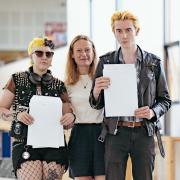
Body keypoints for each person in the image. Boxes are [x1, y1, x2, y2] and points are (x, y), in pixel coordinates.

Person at [89, 11, 171, 180]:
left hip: (144, 133)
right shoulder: (106, 62)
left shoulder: (154, 63)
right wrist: (96, 90)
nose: (124, 35)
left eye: (128, 30)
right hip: (115, 133)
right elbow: (96, 103)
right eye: (119, 31)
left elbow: (165, 100)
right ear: (114, 32)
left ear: (137, 31)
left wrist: (153, 112)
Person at [0, 37, 75, 180]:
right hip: (25, 144)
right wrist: (17, 115)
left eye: (49, 54)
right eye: (39, 53)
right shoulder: (17, 79)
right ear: (31, 55)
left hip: (54, 145)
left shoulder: (59, 85)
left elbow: (69, 119)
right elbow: (1, 109)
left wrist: (71, 117)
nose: (44, 57)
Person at [64, 35, 105, 180]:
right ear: (72, 55)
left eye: (87, 50)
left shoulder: (103, 78)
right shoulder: (67, 84)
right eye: (79, 51)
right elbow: (66, 115)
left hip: (103, 135)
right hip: (79, 136)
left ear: (93, 53)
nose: (84, 54)